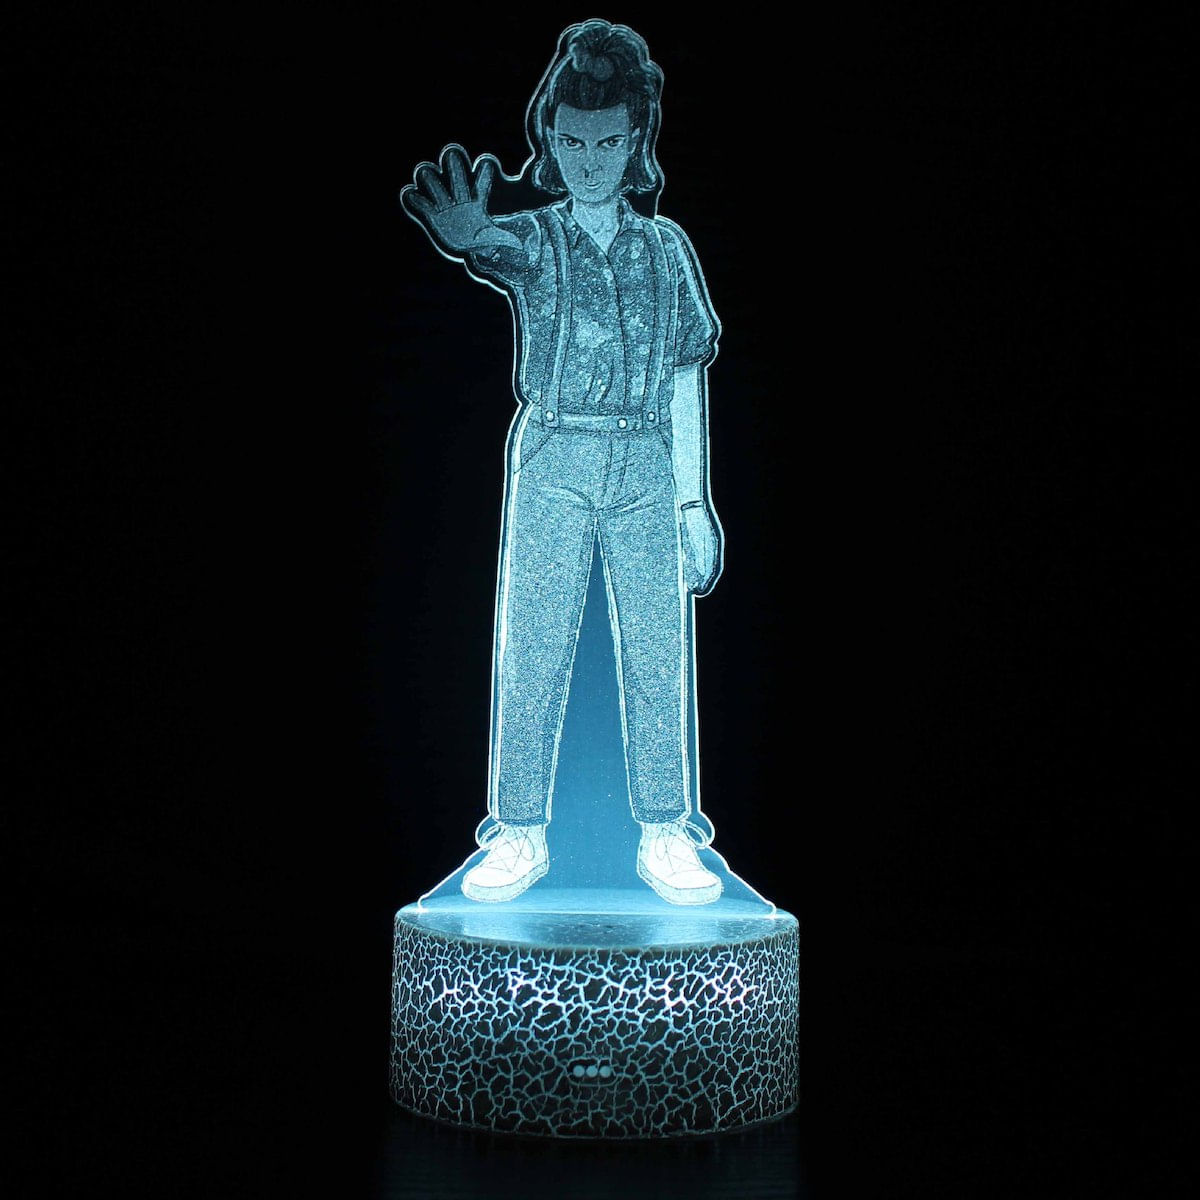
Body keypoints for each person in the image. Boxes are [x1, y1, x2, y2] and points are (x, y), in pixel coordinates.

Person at [402, 20, 725, 905]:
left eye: (608, 143)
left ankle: (666, 829)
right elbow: (492, 246)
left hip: (645, 457)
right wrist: (469, 232)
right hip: (554, 451)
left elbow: (687, 372)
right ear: (550, 135)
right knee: (534, 638)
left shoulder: (667, 250)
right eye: (574, 142)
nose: (590, 161)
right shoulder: (539, 240)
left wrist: (693, 504)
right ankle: (518, 829)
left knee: (658, 645)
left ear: (636, 139)